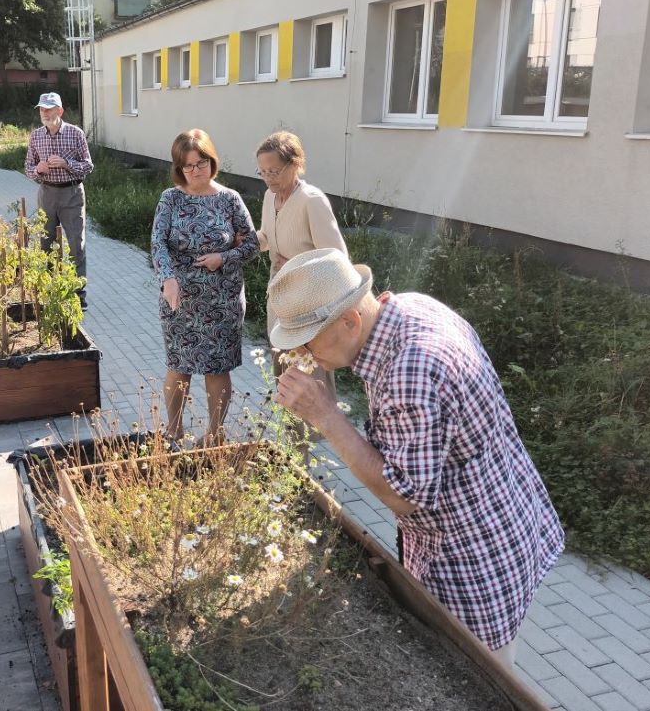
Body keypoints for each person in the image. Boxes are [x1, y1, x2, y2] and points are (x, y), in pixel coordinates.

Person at [268, 248, 564, 668]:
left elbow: (405, 496)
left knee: (478, 676)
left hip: (473, 560)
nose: (301, 352)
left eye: (306, 338)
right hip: (507, 513)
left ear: (351, 320)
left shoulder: (411, 370)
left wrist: (327, 416)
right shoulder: (410, 307)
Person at [151, 129, 259, 443]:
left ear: (212, 162)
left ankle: (214, 434)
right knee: (178, 365)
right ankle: (173, 428)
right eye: (188, 165)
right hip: (179, 299)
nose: (196, 170)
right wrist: (168, 280)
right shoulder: (170, 198)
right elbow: (158, 243)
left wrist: (223, 258)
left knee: (217, 368)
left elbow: (252, 244)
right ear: (178, 168)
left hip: (222, 300)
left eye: (202, 163)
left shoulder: (230, 199)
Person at [255, 131, 347, 388]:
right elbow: (267, 235)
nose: (268, 179)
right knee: (284, 380)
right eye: (262, 172)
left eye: (274, 171)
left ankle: (320, 430)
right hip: (280, 302)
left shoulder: (312, 201)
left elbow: (337, 260)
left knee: (311, 383)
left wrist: (298, 267)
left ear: (295, 164)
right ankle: (288, 430)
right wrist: (243, 241)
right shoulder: (270, 196)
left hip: (308, 309)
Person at [24, 92, 92, 308]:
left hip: (72, 194)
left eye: (48, 109)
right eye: (41, 109)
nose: (44, 113)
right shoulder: (36, 136)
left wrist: (66, 164)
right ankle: (50, 288)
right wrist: (38, 169)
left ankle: (77, 292)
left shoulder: (75, 133)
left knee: (75, 244)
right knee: (46, 243)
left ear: (59, 111)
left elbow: (88, 166)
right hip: (47, 194)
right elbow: (28, 168)